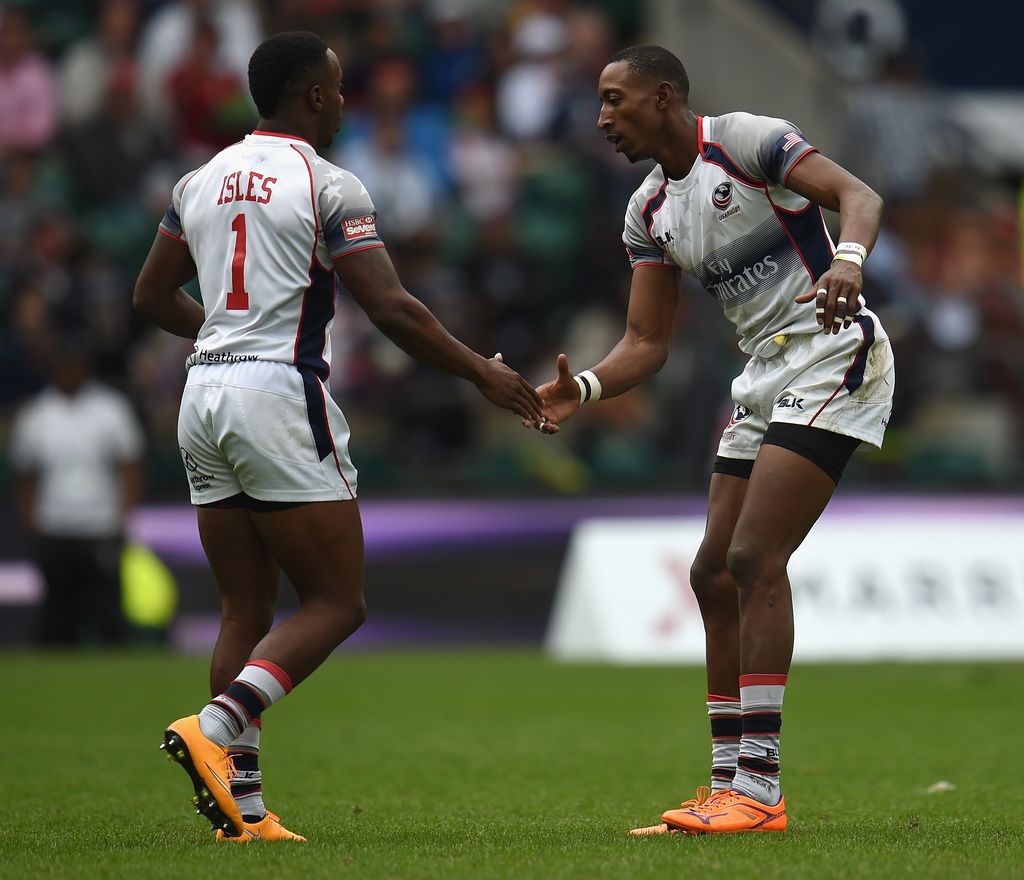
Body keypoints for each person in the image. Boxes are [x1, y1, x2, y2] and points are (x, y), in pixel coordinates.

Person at [133, 30, 544, 843]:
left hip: (203, 392)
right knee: (337, 600)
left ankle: (243, 814)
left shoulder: (198, 178)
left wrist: (221, 332)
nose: (347, 101)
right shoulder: (328, 183)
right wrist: (481, 373)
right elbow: (392, 308)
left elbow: (149, 295)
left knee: (243, 606)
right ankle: (212, 731)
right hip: (277, 395)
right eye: (341, 88)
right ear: (315, 97)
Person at [528, 45, 895, 835]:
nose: (602, 117)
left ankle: (761, 791)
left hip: (831, 350)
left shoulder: (748, 139)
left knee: (754, 558)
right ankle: (728, 780)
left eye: (614, 99)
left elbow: (857, 194)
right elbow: (645, 343)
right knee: (710, 573)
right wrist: (584, 387)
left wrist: (851, 262)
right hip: (764, 374)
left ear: (663, 96)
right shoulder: (648, 209)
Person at [9, 339, 143, 645]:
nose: (69, 371)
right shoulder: (36, 415)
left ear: (86, 368)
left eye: (75, 365)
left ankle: (116, 677)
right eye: (63, 365)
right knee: (57, 616)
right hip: (54, 525)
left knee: (108, 615)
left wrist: (122, 517)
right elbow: (26, 477)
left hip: (99, 525)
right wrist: (31, 523)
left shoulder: (111, 409)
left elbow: (130, 469)